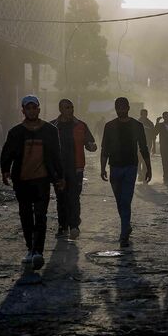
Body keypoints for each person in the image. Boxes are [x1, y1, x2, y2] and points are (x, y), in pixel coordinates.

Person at [1, 95, 64, 271]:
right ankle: (31, 248)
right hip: (21, 180)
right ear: (23, 110)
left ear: (38, 109)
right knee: (26, 215)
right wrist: (5, 170)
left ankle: (38, 251)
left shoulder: (50, 131)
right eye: (27, 108)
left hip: (42, 180)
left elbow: (55, 155)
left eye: (33, 108)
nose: (31, 111)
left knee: (41, 216)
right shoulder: (16, 132)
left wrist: (60, 177)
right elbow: (8, 152)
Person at [101, 97, 151, 247]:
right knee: (119, 201)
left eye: (123, 107)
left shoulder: (137, 126)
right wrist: (102, 167)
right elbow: (105, 149)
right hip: (114, 167)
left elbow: (143, 148)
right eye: (118, 107)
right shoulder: (109, 126)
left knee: (126, 200)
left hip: (131, 167)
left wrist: (149, 167)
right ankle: (126, 225)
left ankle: (124, 234)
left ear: (128, 108)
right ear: (115, 109)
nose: (121, 110)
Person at [51, 99, 97, 240]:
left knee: (74, 197)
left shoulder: (81, 125)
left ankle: (74, 226)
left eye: (71, 107)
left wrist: (91, 146)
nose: (70, 110)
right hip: (58, 170)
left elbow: (90, 143)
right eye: (67, 107)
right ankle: (62, 226)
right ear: (60, 109)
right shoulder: (52, 126)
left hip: (76, 168)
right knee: (61, 198)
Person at [137, 109, 156, 182]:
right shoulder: (136, 123)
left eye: (145, 114)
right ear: (141, 114)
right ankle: (140, 174)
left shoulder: (150, 123)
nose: (144, 115)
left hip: (148, 145)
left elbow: (153, 136)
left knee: (145, 161)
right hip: (138, 145)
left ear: (147, 115)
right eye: (143, 114)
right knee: (138, 161)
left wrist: (154, 146)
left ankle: (144, 175)